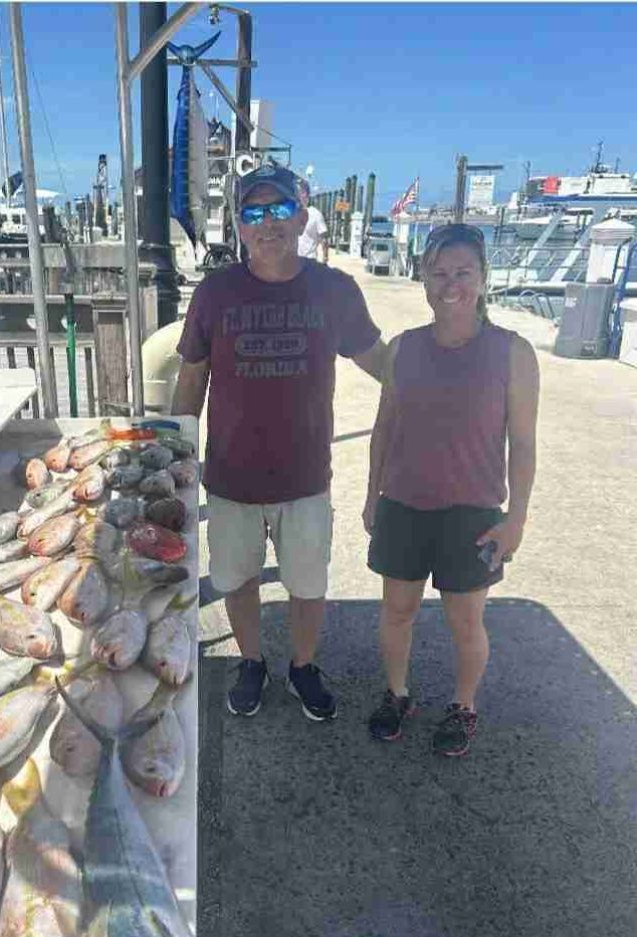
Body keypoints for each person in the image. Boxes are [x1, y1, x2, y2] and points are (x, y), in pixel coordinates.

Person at [171, 164, 384, 721]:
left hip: (305, 476)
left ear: (301, 215)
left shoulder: (334, 289)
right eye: (254, 212)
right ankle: (252, 661)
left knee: (308, 585)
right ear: (239, 225)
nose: (268, 222)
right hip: (231, 477)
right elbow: (191, 378)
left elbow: (381, 362)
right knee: (236, 580)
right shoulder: (215, 293)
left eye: (280, 209)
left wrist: (441, 375)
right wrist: (173, 455)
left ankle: (303, 666)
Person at [362, 223, 540, 756]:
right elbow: (383, 429)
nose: (451, 284)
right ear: (424, 279)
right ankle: (397, 694)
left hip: (473, 512)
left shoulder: (513, 352)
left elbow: (523, 443)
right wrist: (372, 497)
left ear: (483, 278)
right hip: (403, 505)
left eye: (463, 272)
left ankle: (464, 705)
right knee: (397, 610)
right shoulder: (403, 348)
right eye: (439, 273)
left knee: (466, 621)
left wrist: (516, 519)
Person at [297, 178, 329, 263]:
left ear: (305, 194)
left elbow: (324, 238)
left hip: (309, 261)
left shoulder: (315, 214)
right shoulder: (289, 212)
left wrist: (325, 259)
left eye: (299, 192)